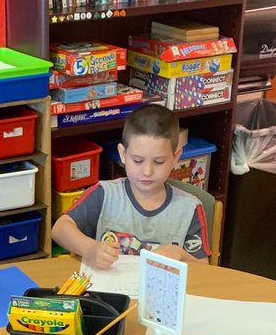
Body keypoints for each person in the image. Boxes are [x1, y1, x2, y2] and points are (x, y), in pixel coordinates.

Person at [51, 104, 210, 266]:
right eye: (138, 161)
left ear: (175, 158)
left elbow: (205, 269)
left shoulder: (189, 208)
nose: (147, 171)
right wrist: (90, 249)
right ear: (123, 154)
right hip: (108, 288)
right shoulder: (105, 194)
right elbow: (60, 229)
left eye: (159, 161)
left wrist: (180, 254)